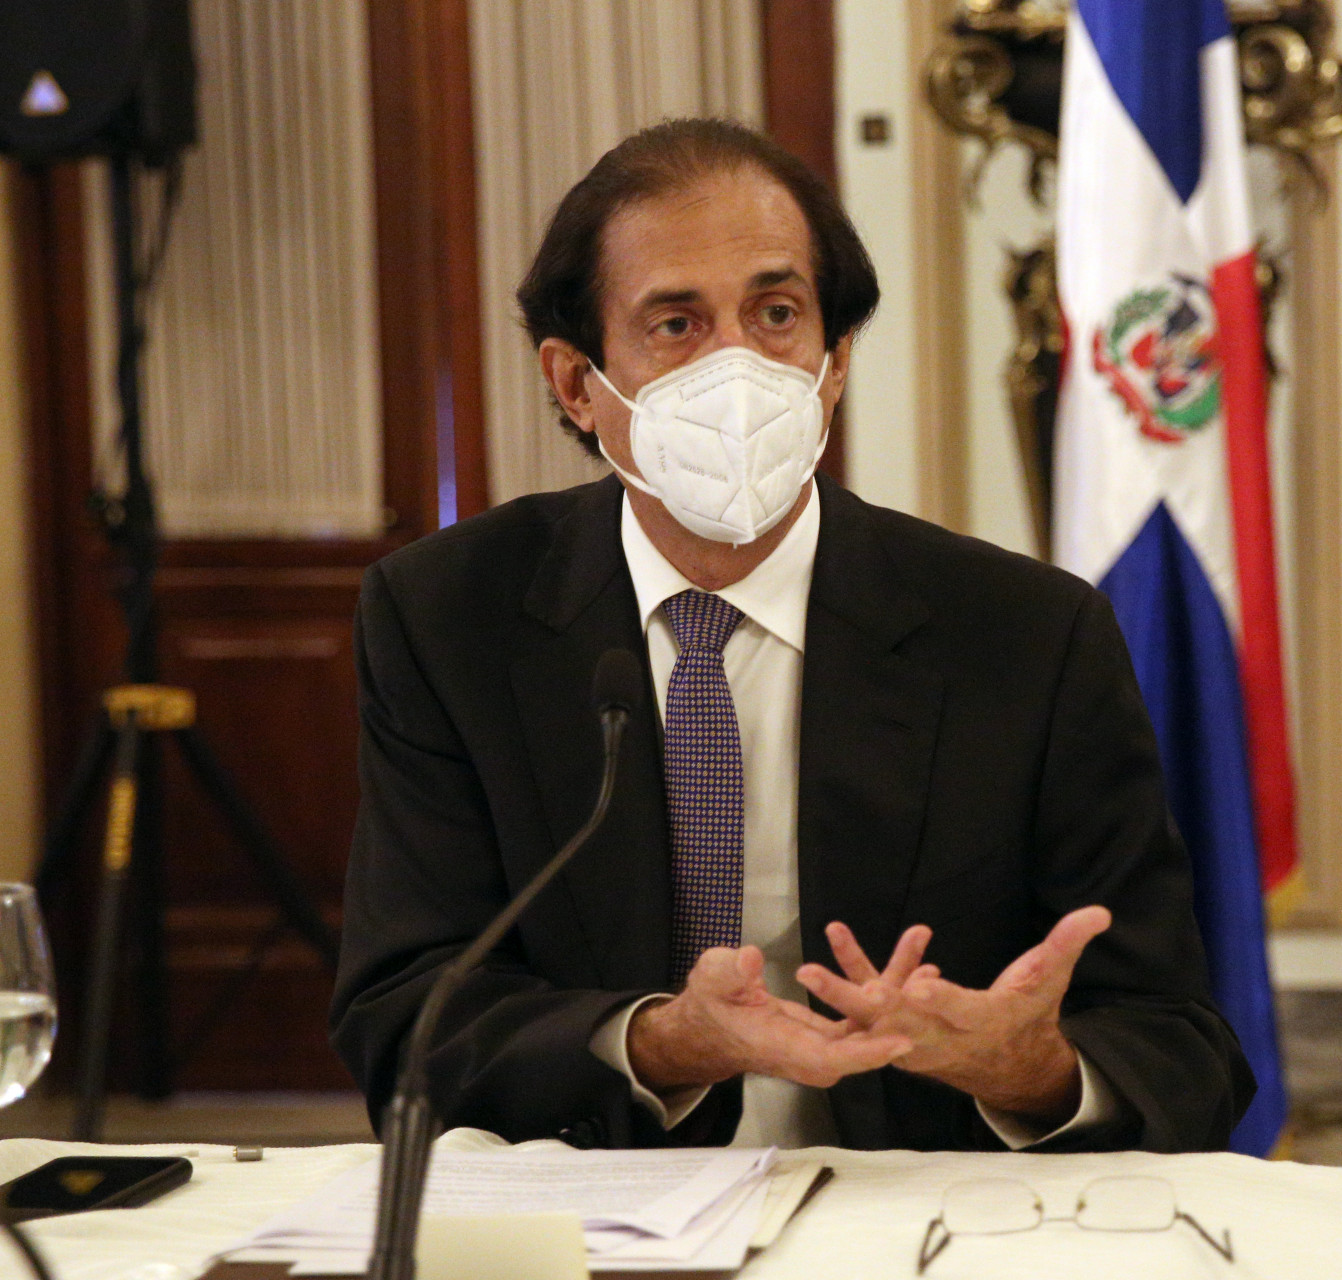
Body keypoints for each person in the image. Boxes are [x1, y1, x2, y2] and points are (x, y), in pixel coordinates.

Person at [329, 118, 1254, 1153]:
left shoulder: (1027, 636)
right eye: (676, 323)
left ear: (835, 360)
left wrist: (1024, 1067)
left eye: (776, 314)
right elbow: (404, 1015)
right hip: (601, 1209)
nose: (738, 366)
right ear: (577, 384)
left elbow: (1184, 1051)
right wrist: (660, 1042)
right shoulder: (449, 616)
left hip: (910, 1207)